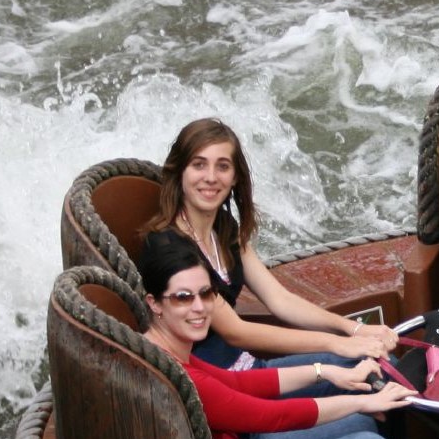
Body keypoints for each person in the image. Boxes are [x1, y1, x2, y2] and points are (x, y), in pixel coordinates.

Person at [138, 233, 423, 439]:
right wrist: (362, 400)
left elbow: (238, 384)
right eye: (183, 298)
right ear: (154, 303)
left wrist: (326, 371)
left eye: (206, 294)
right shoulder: (178, 376)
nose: (200, 307)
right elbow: (269, 416)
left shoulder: (162, 348)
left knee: (359, 425)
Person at [143, 117, 400, 370]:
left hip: (250, 368)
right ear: (180, 172)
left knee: (380, 366)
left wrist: (353, 328)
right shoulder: (171, 249)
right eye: (199, 165)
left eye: (222, 166)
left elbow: (280, 299)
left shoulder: (223, 228)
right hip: (213, 385)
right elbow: (237, 332)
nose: (211, 177)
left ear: (235, 177)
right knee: (368, 374)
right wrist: (337, 344)